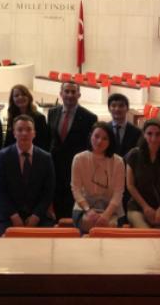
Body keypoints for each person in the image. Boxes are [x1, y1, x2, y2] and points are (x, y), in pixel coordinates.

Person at [0, 115, 56, 236]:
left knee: (44, 244)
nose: (24, 133)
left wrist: (36, 216)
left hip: (38, 214)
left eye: (28, 129)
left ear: (34, 133)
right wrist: (14, 215)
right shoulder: (2, 156)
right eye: (20, 129)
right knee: (8, 243)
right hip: (8, 214)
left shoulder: (45, 158)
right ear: (14, 133)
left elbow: (48, 191)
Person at [48, 81, 98, 220]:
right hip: (55, 166)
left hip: (77, 168)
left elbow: (90, 146)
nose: (70, 95)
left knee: (73, 204)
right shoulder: (52, 113)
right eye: (67, 91)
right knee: (56, 202)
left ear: (79, 94)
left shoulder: (90, 117)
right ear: (61, 94)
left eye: (73, 92)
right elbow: (50, 139)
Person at [70, 122, 125, 233]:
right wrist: (88, 210)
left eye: (105, 138)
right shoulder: (79, 158)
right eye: (96, 136)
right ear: (91, 136)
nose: (99, 141)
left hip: (111, 209)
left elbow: (118, 193)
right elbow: (75, 189)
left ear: (110, 142)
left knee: (108, 226)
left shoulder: (118, 161)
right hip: (84, 207)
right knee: (89, 223)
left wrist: (106, 215)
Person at [125, 119, 160, 235]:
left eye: (158, 134)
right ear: (144, 134)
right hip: (138, 207)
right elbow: (130, 185)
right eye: (149, 134)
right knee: (149, 236)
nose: (153, 138)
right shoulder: (134, 155)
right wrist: (145, 207)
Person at [107, 93, 142, 225]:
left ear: (127, 108)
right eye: (114, 105)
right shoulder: (103, 130)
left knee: (127, 218)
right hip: (108, 178)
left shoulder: (137, 132)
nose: (117, 109)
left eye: (121, 106)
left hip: (129, 179)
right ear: (109, 108)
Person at [4, 84, 50, 150]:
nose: (20, 97)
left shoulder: (39, 118)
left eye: (23, 95)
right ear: (12, 99)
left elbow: (43, 143)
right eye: (16, 96)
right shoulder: (12, 116)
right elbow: (8, 142)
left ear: (29, 97)